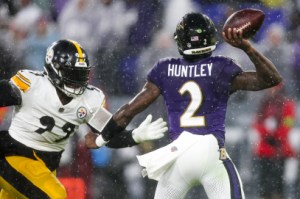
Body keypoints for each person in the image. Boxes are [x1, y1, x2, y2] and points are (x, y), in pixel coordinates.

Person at [85, 12, 282, 199]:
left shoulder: (165, 68)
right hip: (210, 149)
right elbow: (271, 79)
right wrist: (247, 47)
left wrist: (101, 139)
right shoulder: (220, 67)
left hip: (178, 154)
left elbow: (127, 112)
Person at [0, 39, 168, 198]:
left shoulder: (90, 100)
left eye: (81, 74)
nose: (77, 81)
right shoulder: (32, 84)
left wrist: (134, 136)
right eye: (72, 74)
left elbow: (107, 134)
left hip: (45, 166)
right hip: (13, 155)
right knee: (55, 194)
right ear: (54, 68)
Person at [252, 83, 296, 199]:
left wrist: (276, 136)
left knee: (278, 184)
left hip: (279, 150)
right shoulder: (263, 104)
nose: (270, 90)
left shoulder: (287, 104)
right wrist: (267, 135)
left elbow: (288, 124)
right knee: (264, 184)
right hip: (264, 150)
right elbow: (256, 123)